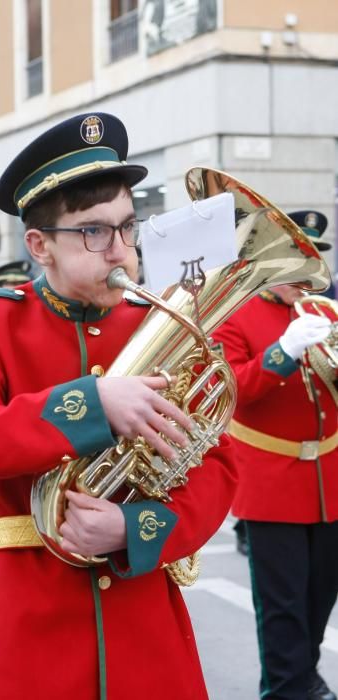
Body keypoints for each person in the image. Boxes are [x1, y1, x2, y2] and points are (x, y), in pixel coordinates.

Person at [0, 112, 237, 700]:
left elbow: (217, 466)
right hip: (28, 626)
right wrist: (88, 403)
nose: (119, 251)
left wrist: (133, 528)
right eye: (94, 232)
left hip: (145, 627)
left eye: (127, 227)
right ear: (39, 245)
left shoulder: (159, 326)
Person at [213, 210, 338, 700]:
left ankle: (302, 674)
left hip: (329, 480)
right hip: (272, 482)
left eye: (310, 263)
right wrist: (281, 352)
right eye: (295, 262)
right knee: (282, 604)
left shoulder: (325, 314)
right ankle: (286, 687)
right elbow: (232, 391)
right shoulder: (235, 317)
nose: (305, 276)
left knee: (320, 599)